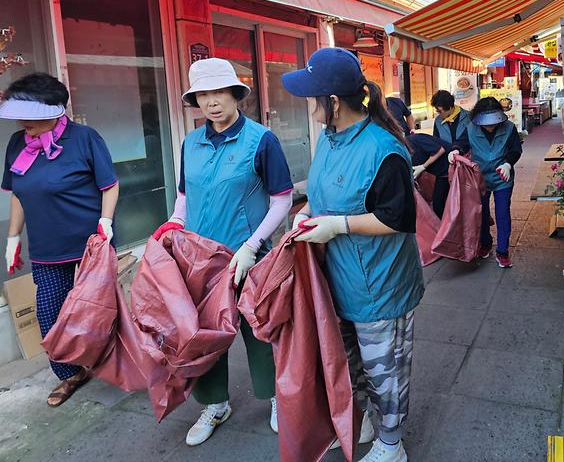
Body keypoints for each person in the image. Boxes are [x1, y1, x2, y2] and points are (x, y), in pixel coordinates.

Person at [282, 47, 424, 462]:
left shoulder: (384, 150)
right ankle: (370, 422)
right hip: (340, 278)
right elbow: (322, 189)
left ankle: (392, 442)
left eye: (311, 98)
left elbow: (398, 218)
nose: (307, 106)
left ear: (332, 103)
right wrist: (307, 212)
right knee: (351, 361)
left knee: (386, 369)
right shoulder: (329, 138)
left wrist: (339, 225)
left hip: (381, 285)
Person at [151, 58, 293, 447]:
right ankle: (215, 404)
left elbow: (282, 200)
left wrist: (252, 246)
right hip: (199, 259)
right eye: (203, 95)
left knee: (258, 331)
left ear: (235, 94)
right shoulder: (190, 142)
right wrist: (174, 226)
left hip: (248, 256)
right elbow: (184, 195)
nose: (212, 102)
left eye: (218, 93)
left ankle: (277, 398)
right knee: (205, 334)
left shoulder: (261, 140)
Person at [0, 73, 119, 406]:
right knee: (50, 313)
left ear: (53, 112)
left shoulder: (84, 138)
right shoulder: (16, 143)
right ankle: (69, 374)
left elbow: (109, 185)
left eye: (31, 115)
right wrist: (13, 238)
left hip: (90, 243)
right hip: (47, 248)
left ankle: (116, 363)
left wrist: (105, 222)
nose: (24, 122)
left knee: (99, 311)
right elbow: (16, 193)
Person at [449, 97, 522, 268]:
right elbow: (461, 143)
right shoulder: (471, 128)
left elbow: (515, 149)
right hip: (479, 177)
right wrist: (454, 150)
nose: (490, 126)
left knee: (503, 213)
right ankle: (485, 243)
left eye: (493, 122)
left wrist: (508, 164)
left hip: (502, 176)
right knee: (480, 212)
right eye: (486, 122)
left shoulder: (509, 128)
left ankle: (503, 251)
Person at [408, 132, 450, 218]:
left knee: (439, 202)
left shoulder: (414, 140)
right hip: (439, 173)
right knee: (439, 202)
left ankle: (443, 227)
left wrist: (423, 167)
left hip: (447, 169)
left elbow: (440, 150)